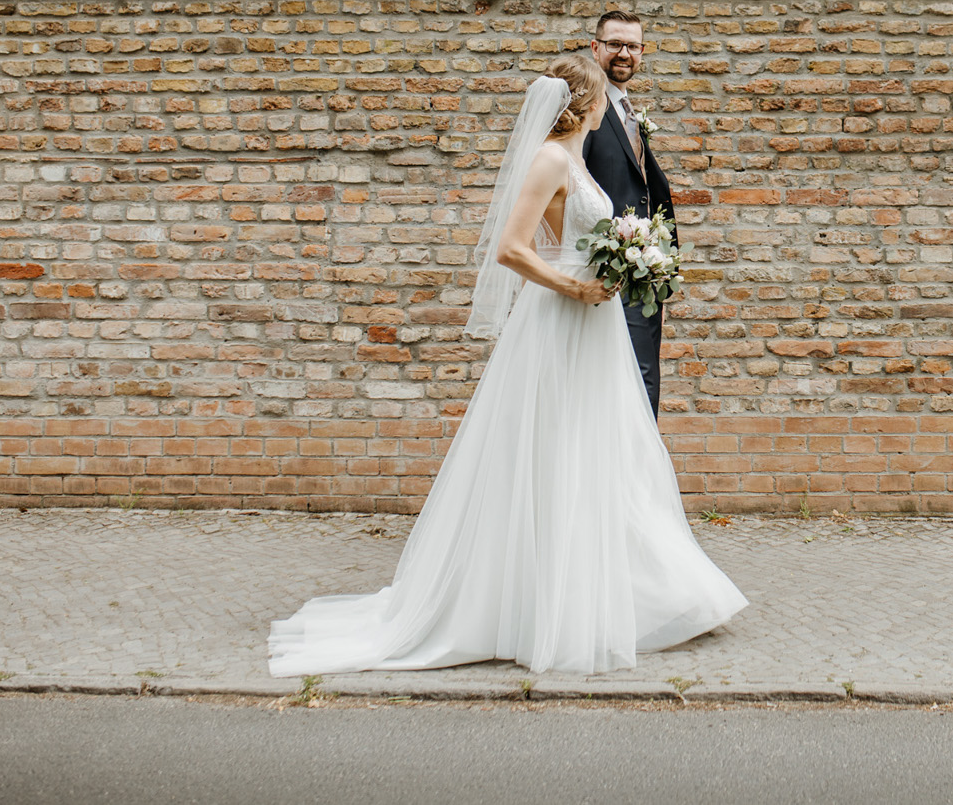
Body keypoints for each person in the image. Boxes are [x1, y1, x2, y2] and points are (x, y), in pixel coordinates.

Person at [267, 53, 745, 677]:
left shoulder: (574, 159)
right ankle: (536, 606)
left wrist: (622, 261)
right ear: (585, 103)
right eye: (600, 98)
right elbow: (511, 249)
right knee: (554, 450)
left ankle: (621, 590)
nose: (606, 107)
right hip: (561, 319)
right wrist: (574, 286)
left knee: (598, 450)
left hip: (591, 322)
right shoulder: (550, 159)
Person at [582, 9, 677, 418]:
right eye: (615, 44)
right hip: (605, 274)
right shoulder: (584, 107)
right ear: (595, 48)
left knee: (641, 379)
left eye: (633, 46)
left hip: (641, 274)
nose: (624, 53)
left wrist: (659, 266)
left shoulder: (626, 108)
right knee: (632, 384)